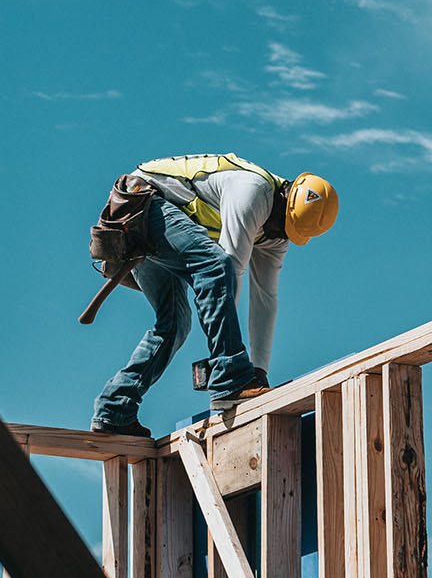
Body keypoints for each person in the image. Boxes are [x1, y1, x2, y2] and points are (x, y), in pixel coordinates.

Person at [90, 153, 338, 437]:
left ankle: (114, 409)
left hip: (154, 222)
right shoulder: (253, 191)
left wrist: (259, 371)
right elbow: (227, 270)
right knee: (215, 264)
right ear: (284, 196)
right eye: (280, 225)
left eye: (286, 232)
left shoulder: (276, 233)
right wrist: (231, 370)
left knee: (174, 324)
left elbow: (265, 300)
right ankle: (230, 377)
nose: (276, 234)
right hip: (140, 204)